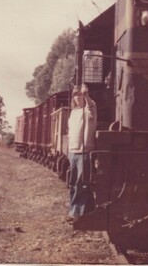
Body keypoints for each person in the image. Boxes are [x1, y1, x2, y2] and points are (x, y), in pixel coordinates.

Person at [67, 84, 97, 222]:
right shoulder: (73, 113)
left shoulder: (89, 109)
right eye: (75, 94)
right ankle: (74, 210)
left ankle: (78, 214)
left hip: (84, 152)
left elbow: (90, 105)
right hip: (73, 152)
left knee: (82, 183)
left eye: (79, 94)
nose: (77, 97)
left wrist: (86, 94)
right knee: (73, 183)